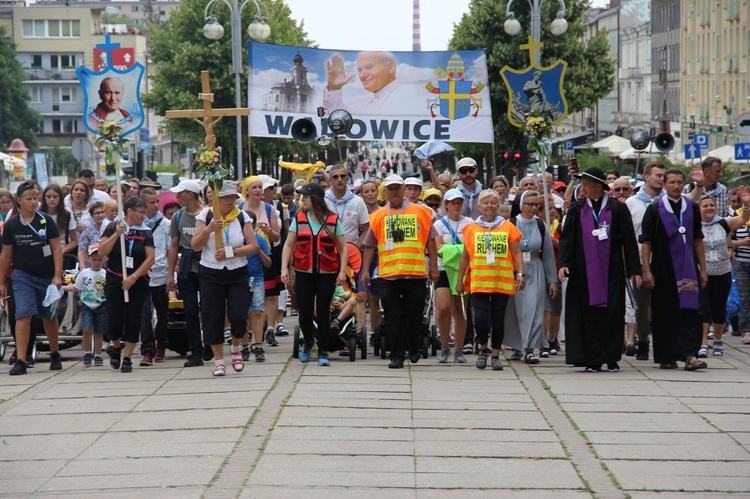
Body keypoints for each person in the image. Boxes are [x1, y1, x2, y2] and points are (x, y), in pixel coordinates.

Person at [558, 167, 642, 373]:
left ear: (598, 186)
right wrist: (564, 264)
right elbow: (568, 240)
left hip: (611, 271)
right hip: (583, 272)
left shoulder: (617, 209)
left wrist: (634, 269)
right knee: (589, 315)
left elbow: (629, 241)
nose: (582, 188)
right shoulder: (577, 209)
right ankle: (592, 359)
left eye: (586, 184)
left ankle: (611, 358)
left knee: (612, 314)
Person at [361, 174, 438, 368]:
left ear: (404, 190)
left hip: (415, 273)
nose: (394, 191)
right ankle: (396, 355)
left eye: (397, 188)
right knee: (392, 316)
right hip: (388, 274)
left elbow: (430, 241)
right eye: (390, 188)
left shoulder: (422, 212)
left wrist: (434, 268)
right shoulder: (378, 216)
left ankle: (413, 346)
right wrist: (365, 271)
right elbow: (369, 245)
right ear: (384, 192)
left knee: (413, 315)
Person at [640, 169, 708, 371]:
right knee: (663, 311)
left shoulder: (692, 208)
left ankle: (690, 355)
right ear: (664, 184)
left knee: (690, 311)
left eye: (679, 182)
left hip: (687, 267)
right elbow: (646, 243)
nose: (676, 186)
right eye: (672, 182)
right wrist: (646, 270)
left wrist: (703, 269)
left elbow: (698, 239)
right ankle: (666, 355)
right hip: (663, 268)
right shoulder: (654, 209)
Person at [192, 181, 258, 376]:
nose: (230, 201)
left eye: (232, 198)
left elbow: (253, 246)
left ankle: (236, 348)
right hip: (211, 271)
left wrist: (231, 252)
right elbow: (195, 245)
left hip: (237, 270)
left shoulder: (242, 216)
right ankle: (219, 360)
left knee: (238, 314)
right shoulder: (206, 215)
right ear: (215, 198)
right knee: (212, 316)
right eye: (225, 198)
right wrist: (209, 229)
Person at [456, 189, 525, 371]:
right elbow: (465, 256)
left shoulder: (509, 227)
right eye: (485, 203)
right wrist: (459, 279)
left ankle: (495, 355)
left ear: (498, 205)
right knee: (480, 318)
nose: (489, 206)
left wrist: (520, 274)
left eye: (493, 203)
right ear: (478, 206)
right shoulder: (471, 229)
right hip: (479, 281)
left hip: (501, 280)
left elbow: (517, 252)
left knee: (498, 319)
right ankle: (483, 350)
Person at [281, 183, 348, 367]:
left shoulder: (333, 220)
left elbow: (343, 247)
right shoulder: (300, 218)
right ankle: (309, 341)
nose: (302, 199)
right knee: (304, 312)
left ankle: (323, 351)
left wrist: (342, 270)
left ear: (316, 199)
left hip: (327, 273)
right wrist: (284, 268)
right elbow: (288, 245)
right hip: (304, 273)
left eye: (305, 196)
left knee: (324, 312)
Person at [0, 182, 64, 375]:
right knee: (23, 314)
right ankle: (21, 358)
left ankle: (54, 353)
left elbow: (56, 248)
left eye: (35, 198)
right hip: (22, 276)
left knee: (48, 316)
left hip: (45, 275)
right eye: (29, 199)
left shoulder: (45, 221)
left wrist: (57, 275)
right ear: (18, 201)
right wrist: (2, 281)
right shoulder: (12, 225)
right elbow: (6, 255)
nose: (33, 202)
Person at [98, 196, 155, 373]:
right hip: (115, 278)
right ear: (130, 211)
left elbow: (150, 258)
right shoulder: (114, 226)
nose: (144, 217)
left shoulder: (145, 232)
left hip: (137, 281)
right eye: (141, 213)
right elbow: (101, 251)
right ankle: (116, 347)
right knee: (114, 320)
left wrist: (135, 276)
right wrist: (116, 235)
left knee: (133, 320)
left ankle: (128, 357)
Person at [504, 191, 558, 364]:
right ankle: (516, 346)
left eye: (536, 205)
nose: (534, 208)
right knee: (515, 310)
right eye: (530, 204)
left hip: (535, 269)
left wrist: (552, 281)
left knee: (534, 309)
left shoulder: (541, 225)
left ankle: (530, 348)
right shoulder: (510, 224)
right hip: (513, 271)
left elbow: (548, 255)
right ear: (521, 205)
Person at [698, 192, 750, 357]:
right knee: (703, 308)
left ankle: (718, 340)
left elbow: (743, 219)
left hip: (723, 272)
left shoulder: (723, 222)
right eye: (705, 206)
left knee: (719, 308)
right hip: (703, 272)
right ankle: (703, 342)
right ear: (699, 209)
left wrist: (746, 205)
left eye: (711, 205)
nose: (709, 208)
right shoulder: (695, 225)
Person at [624, 162, 665, 360]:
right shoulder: (632, 203)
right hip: (640, 261)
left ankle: (664, 342)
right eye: (658, 175)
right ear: (646, 177)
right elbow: (627, 235)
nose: (661, 179)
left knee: (663, 305)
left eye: (663, 175)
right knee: (640, 305)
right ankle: (642, 342)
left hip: (664, 261)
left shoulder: (668, 201)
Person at [167, 180, 206, 367]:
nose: (176, 197)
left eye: (180, 194)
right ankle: (195, 350)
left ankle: (211, 345)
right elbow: (174, 246)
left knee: (208, 309)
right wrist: (170, 275)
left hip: (207, 266)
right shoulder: (177, 217)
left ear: (190, 195)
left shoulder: (208, 213)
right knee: (190, 310)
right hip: (187, 267)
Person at [434, 189, 472, 363]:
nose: (456, 205)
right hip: (444, 270)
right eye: (453, 202)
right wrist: (460, 251)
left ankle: (458, 349)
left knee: (460, 310)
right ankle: (444, 345)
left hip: (463, 271)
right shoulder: (439, 224)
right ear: (446, 205)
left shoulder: (470, 223)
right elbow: (439, 249)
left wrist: (456, 252)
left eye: (459, 202)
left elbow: (471, 248)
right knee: (443, 307)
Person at [323, 51, 414, 115]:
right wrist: (334, 88)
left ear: (391, 67)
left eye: (369, 67)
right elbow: (336, 120)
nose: (363, 75)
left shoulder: (411, 96)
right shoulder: (362, 104)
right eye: (360, 70)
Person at [139, 188, 170, 365]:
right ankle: (147, 350)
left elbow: (169, 250)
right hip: (142, 273)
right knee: (144, 313)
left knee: (162, 312)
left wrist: (171, 274)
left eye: (157, 202)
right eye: (152, 202)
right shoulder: (137, 224)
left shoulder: (165, 224)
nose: (156, 205)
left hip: (160, 273)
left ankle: (161, 342)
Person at [65, 244, 106, 367]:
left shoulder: (105, 273)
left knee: (99, 331)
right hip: (87, 305)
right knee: (86, 329)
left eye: (99, 260)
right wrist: (62, 288)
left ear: (104, 259)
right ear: (88, 259)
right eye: (94, 260)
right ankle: (87, 352)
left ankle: (98, 354)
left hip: (101, 304)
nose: (97, 263)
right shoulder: (84, 273)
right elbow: (76, 287)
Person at [242, 211, 273, 362]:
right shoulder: (237, 240)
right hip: (240, 279)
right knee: (241, 313)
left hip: (257, 279)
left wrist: (259, 251)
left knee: (257, 311)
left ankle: (258, 345)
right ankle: (243, 346)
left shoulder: (260, 239)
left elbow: (268, 263)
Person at [40, 184, 78, 259]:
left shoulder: (66, 215)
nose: (51, 199)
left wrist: (61, 251)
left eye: (55, 197)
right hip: (43, 256)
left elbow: (74, 241)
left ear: (60, 198)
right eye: (48, 197)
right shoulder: (38, 215)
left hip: (62, 255)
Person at [77, 202, 106, 269]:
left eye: (103, 212)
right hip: (93, 267)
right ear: (92, 216)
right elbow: (82, 252)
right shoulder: (87, 232)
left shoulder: (112, 229)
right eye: (97, 213)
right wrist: (82, 269)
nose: (101, 215)